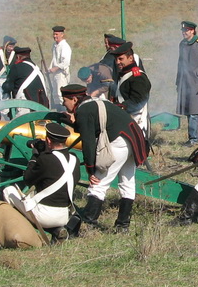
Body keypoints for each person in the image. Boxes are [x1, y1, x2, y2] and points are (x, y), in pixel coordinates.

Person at [59, 84, 149, 233]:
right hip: (135, 139)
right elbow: (90, 125)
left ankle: (88, 223)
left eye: (65, 100)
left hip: (120, 142)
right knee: (127, 182)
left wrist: (91, 170)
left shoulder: (84, 110)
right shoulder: (94, 103)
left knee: (98, 184)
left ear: (74, 99)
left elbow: (87, 142)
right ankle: (122, 225)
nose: (63, 103)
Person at [3, 122, 79, 242]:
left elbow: (27, 179)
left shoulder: (45, 159)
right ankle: (56, 230)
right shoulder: (75, 159)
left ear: (48, 141)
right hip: (64, 215)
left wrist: (34, 157)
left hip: (44, 215)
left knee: (9, 191)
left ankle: (19, 231)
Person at [176, 21, 198, 147]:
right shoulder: (182, 44)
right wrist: (178, 81)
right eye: (183, 31)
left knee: (193, 112)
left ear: (192, 31)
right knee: (187, 110)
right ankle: (191, 137)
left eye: (186, 30)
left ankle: (194, 139)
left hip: (196, 83)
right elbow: (180, 64)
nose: (184, 33)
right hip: (184, 82)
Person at [109, 41, 152, 136]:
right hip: (125, 121)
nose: (117, 62)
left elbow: (138, 101)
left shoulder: (138, 77)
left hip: (135, 123)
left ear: (131, 58)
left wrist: (120, 107)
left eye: (121, 59)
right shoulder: (123, 74)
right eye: (116, 59)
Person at [49, 25, 72, 110]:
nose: (55, 36)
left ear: (62, 35)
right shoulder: (54, 45)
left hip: (62, 74)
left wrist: (55, 68)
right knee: (55, 95)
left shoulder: (65, 46)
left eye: (57, 34)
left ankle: (63, 113)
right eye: (54, 34)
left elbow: (65, 62)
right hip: (55, 74)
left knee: (60, 95)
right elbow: (54, 59)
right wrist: (50, 68)